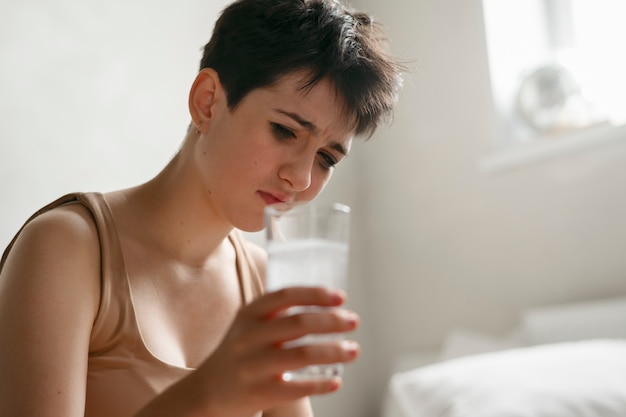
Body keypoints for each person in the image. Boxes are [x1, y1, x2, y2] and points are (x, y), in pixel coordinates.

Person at [0, 0, 404, 416]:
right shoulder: (67, 249)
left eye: (327, 159)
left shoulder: (268, 281)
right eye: (285, 131)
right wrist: (210, 392)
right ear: (208, 102)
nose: (301, 179)